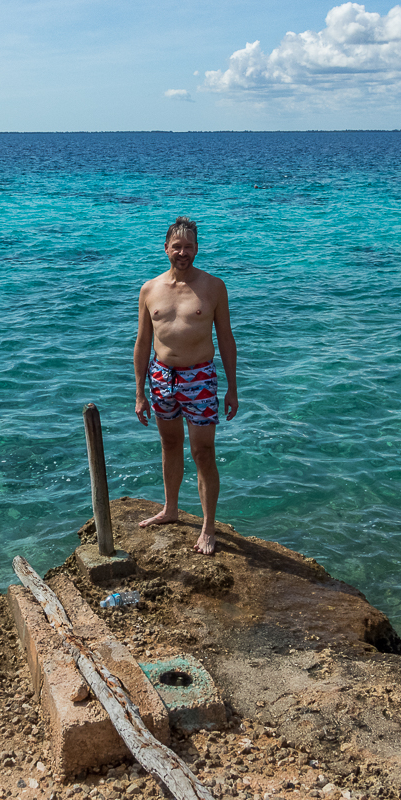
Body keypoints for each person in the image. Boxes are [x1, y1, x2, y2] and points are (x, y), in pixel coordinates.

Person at [134, 216, 238, 555]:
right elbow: (142, 342)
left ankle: (208, 526)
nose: (183, 252)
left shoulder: (213, 287)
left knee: (203, 452)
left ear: (196, 249)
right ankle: (171, 508)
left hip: (200, 378)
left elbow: (225, 338)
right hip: (161, 376)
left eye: (189, 246)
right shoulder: (150, 289)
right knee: (169, 444)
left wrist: (232, 388)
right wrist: (139, 391)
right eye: (176, 246)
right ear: (165, 248)